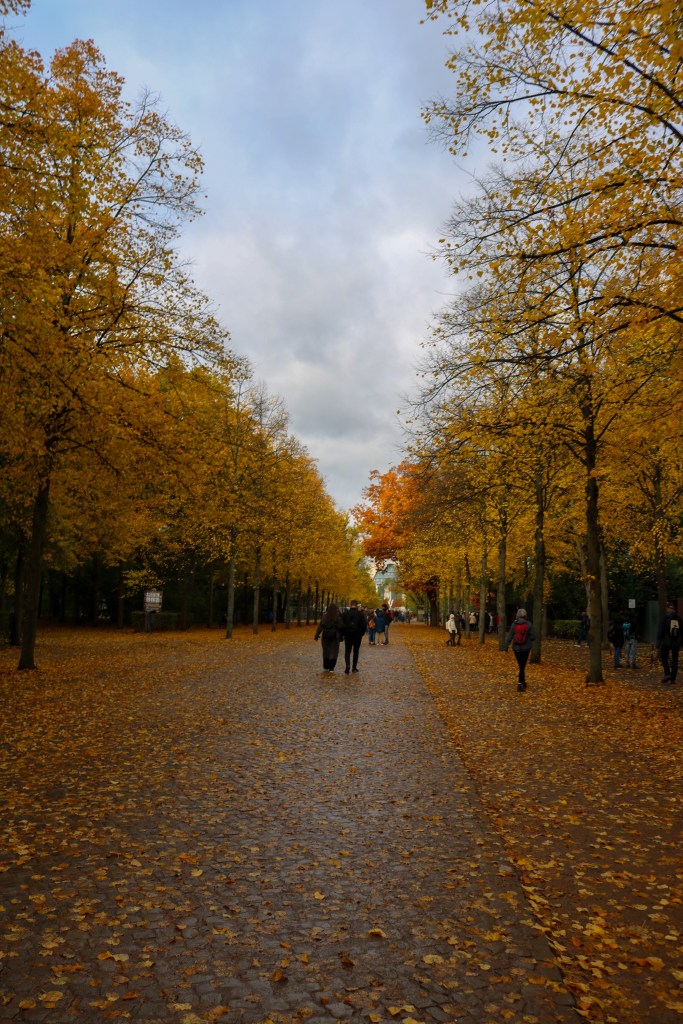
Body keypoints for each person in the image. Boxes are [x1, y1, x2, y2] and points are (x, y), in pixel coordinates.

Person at [504, 608, 536, 692]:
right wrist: (527, 638)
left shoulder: (514, 624)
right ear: (526, 615)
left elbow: (510, 636)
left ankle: (523, 682)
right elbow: (533, 637)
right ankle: (519, 684)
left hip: (516, 648)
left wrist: (506, 647)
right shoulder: (529, 624)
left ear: (517, 615)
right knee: (522, 666)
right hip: (526, 648)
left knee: (521, 666)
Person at [314, 602, 344, 673]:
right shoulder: (337, 616)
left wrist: (317, 635)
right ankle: (331, 667)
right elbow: (342, 626)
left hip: (325, 635)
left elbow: (320, 626)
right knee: (334, 651)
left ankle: (326, 665)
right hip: (335, 636)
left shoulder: (325, 616)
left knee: (326, 651)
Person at [657, 601, 682, 686]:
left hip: (666, 642)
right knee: (675, 660)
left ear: (667, 608)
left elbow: (661, 630)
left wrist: (658, 642)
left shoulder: (664, 618)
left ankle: (667, 674)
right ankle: (673, 679)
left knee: (664, 657)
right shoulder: (678, 618)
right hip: (676, 642)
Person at [342, 599, 367, 673]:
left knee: (347, 651)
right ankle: (354, 667)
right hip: (357, 635)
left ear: (350, 605)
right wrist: (361, 633)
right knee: (356, 651)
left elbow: (342, 624)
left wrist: (343, 633)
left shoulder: (345, 614)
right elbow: (364, 625)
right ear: (356, 605)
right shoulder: (360, 614)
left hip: (348, 635)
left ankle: (347, 665)